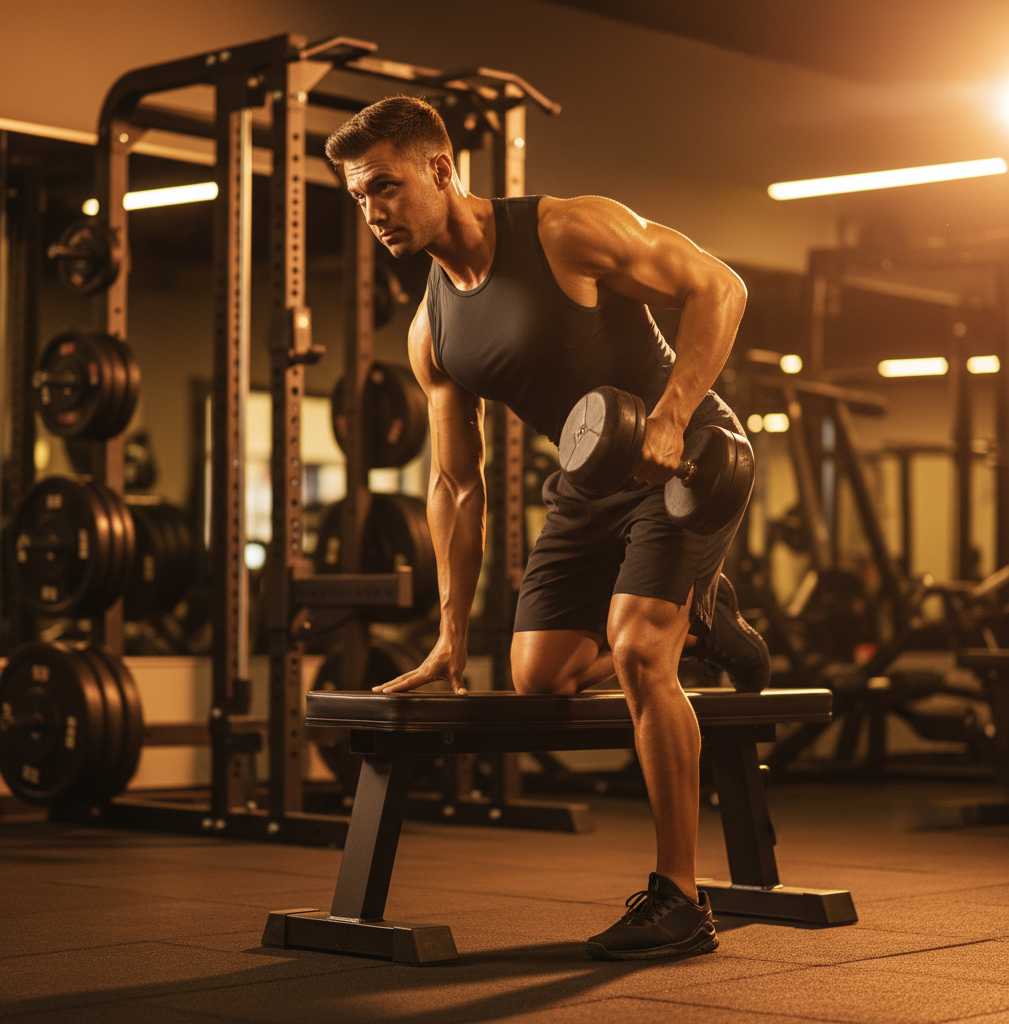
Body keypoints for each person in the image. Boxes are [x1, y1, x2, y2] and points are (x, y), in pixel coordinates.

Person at [325, 96, 770, 962]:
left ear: (441, 170)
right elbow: (458, 483)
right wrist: (451, 636)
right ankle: (702, 616)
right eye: (357, 197)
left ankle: (680, 897)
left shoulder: (566, 231)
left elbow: (720, 286)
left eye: (384, 185)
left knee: (639, 648)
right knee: (539, 676)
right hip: (587, 482)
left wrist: (674, 415)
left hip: (690, 455)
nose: (373, 211)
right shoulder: (432, 329)